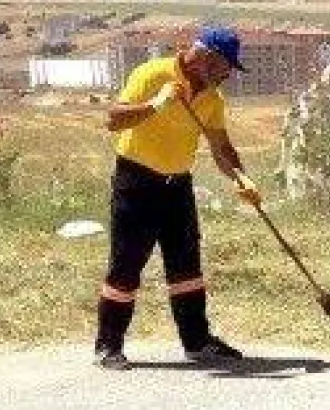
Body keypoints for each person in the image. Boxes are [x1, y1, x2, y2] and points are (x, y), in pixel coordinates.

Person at [92, 25, 263, 370]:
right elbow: (114, 120)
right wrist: (155, 104)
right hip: (136, 181)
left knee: (187, 268)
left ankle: (197, 343)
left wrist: (241, 177)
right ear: (206, 58)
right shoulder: (153, 74)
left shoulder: (212, 99)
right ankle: (108, 346)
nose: (228, 74)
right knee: (126, 265)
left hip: (177, 186)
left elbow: (221, 146)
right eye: (226, 66)